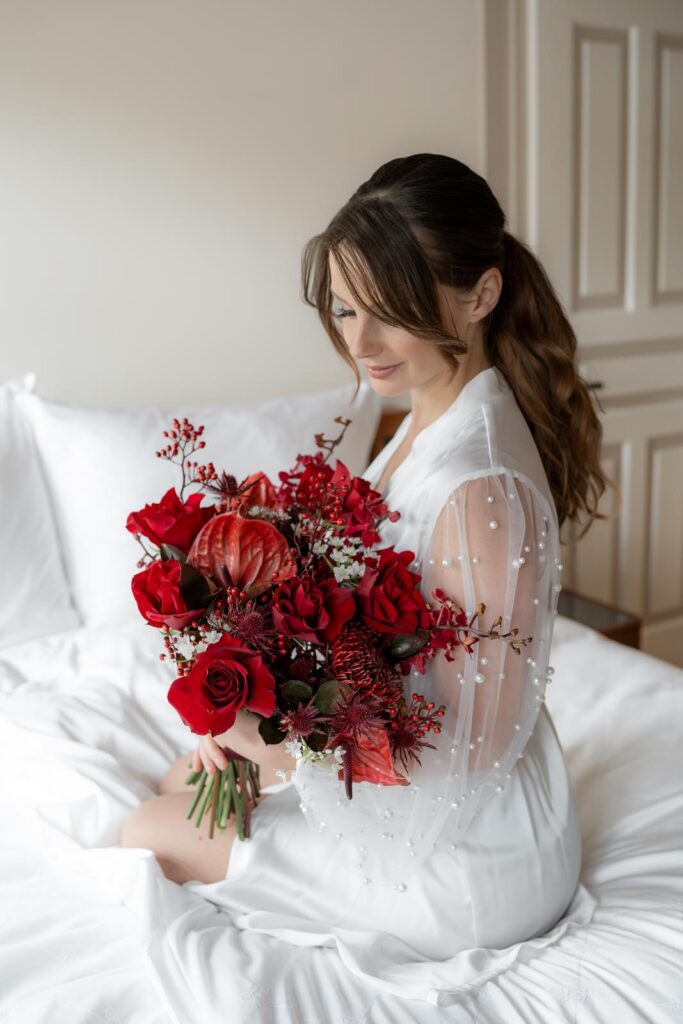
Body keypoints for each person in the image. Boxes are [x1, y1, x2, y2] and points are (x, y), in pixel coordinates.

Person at [121, 153, 612, 1003]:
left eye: (390, 312)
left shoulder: (477, 485)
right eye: (346, 309)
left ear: (481, 295)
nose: (359, 343)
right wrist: (262, 681)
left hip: (473, 854)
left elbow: (464, 755)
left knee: (146, 829)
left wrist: (270, 741)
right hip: (429, 779)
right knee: (181, 782)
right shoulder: (426, 421)